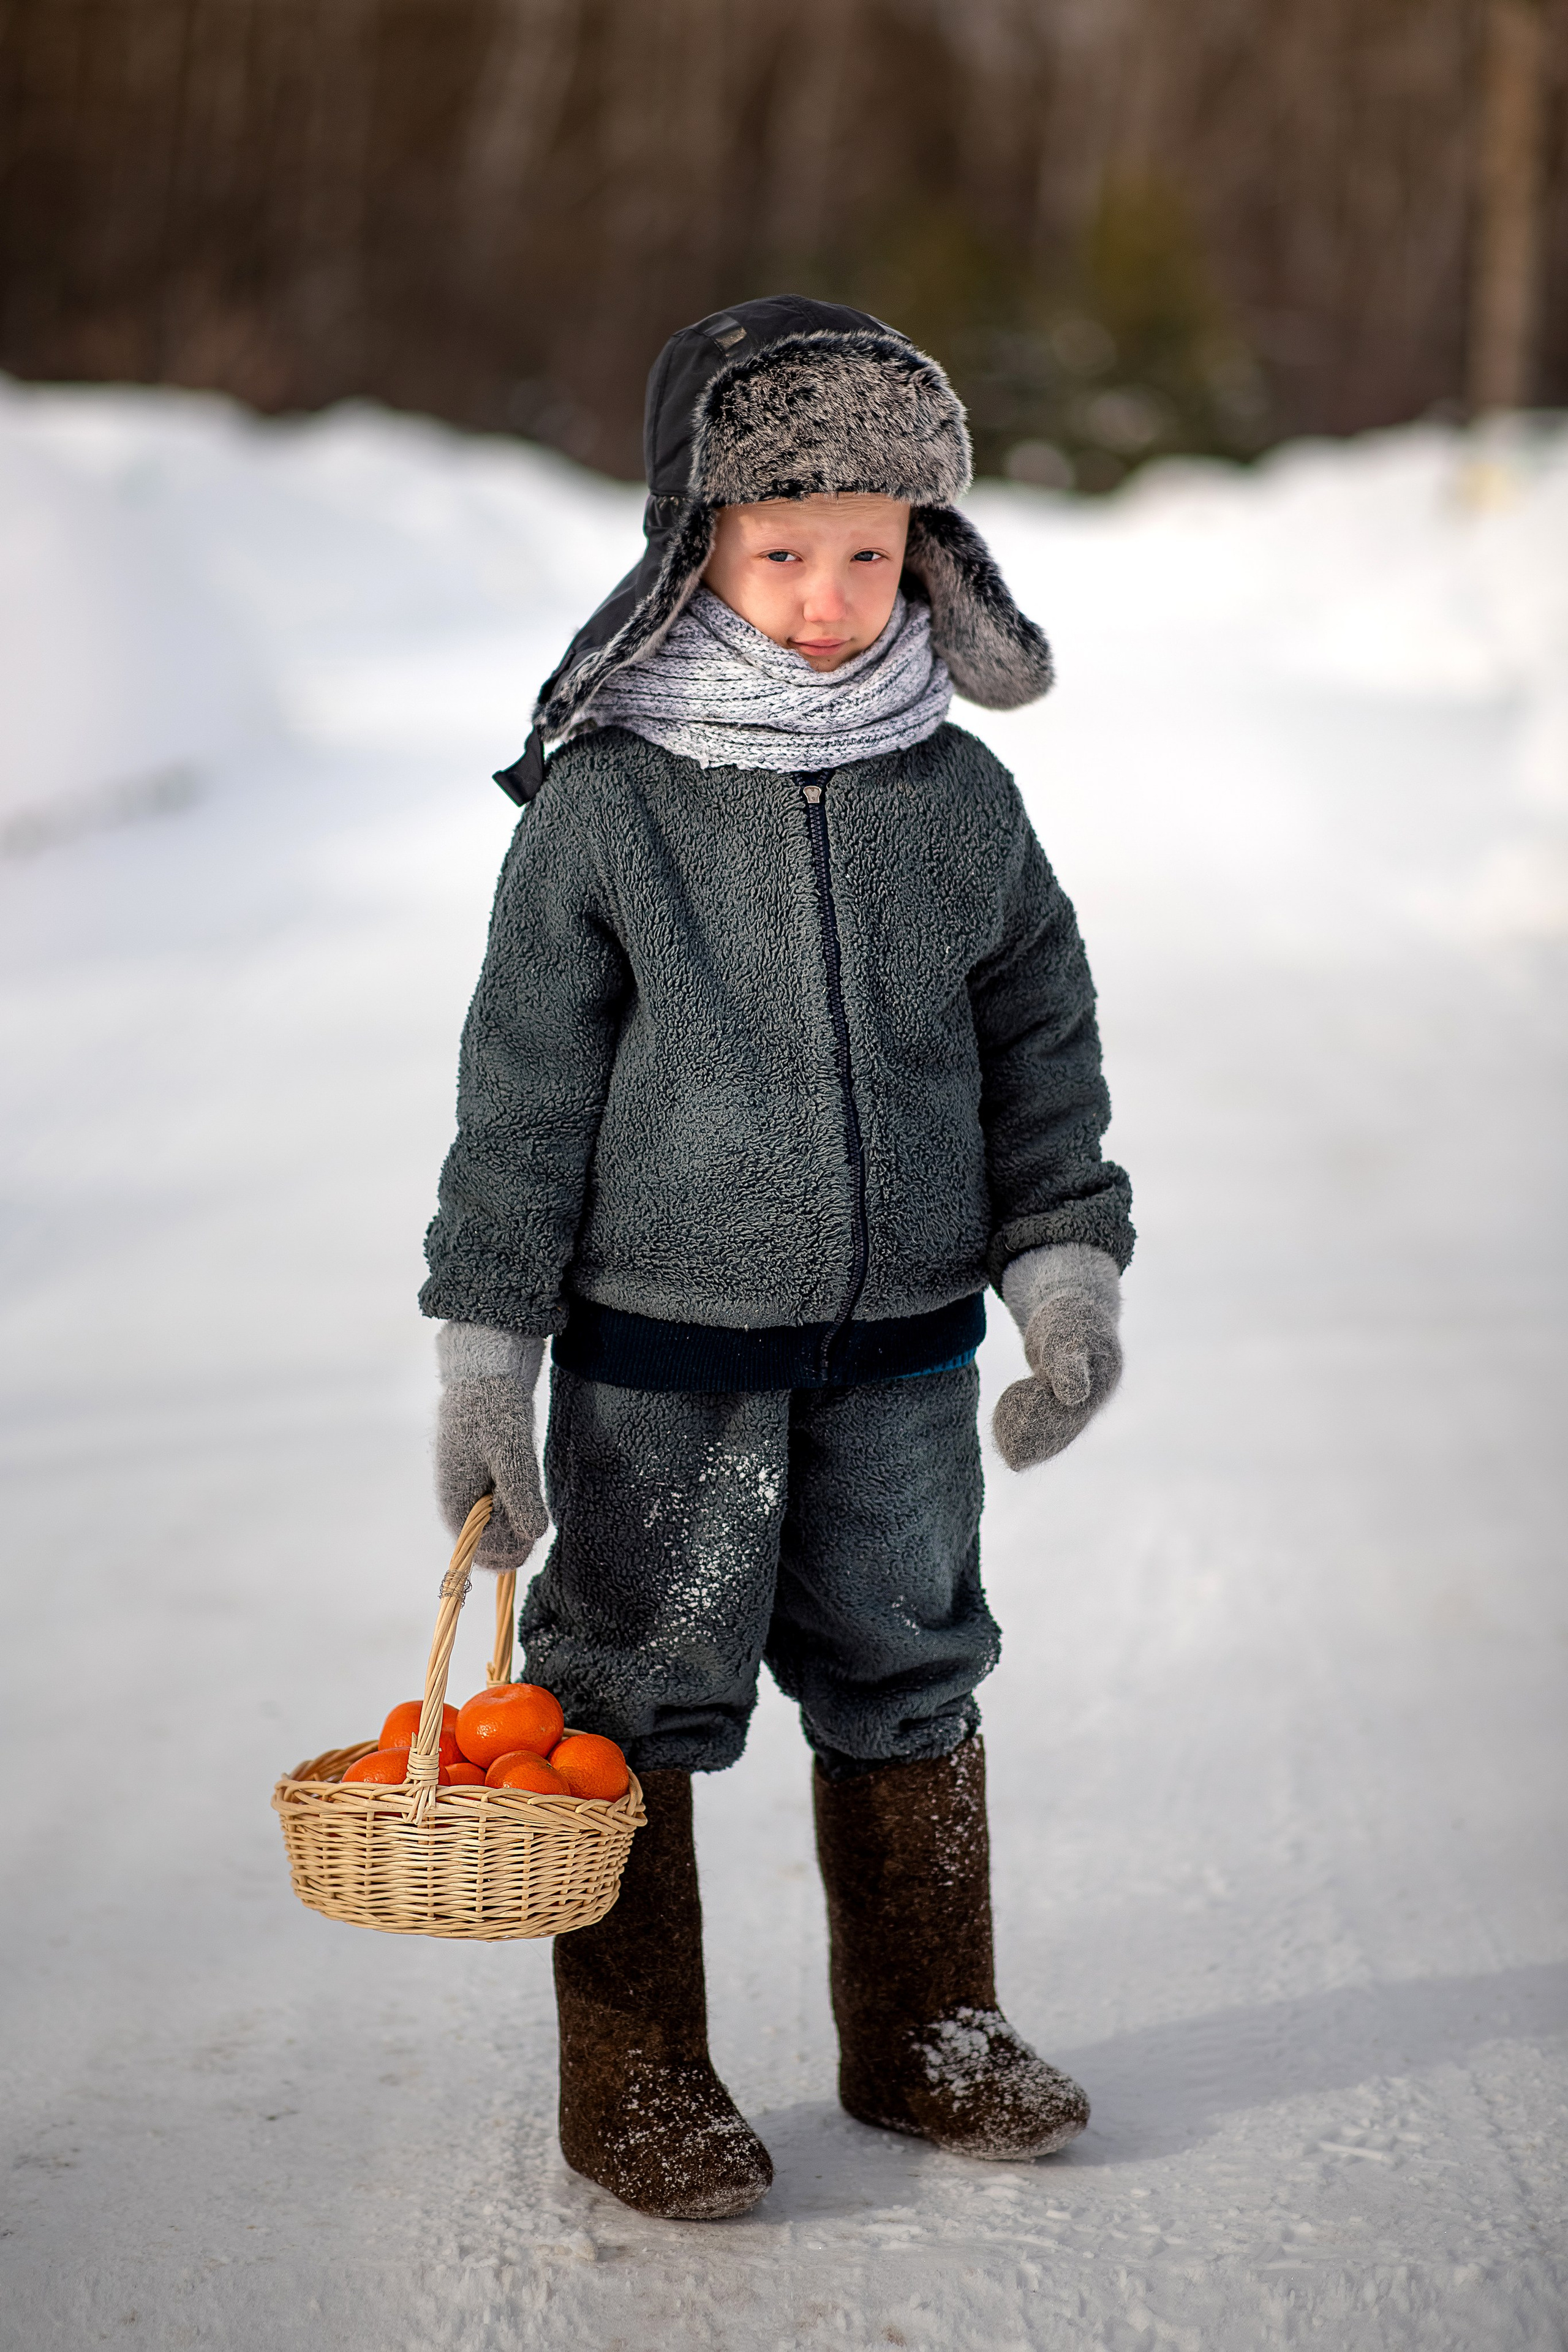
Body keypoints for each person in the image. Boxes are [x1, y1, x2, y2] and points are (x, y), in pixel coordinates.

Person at [420, 294, 1133, 2220]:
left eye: (874, 553)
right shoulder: (611, 802)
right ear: (694, 546)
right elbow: (523, 1097)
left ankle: (926, 2033)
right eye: (782, 550)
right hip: (665, 1362)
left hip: (902, 1350)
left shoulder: (959, 798)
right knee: (626, 1706)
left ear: (935, 552)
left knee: (912, 1672)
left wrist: (1063, 1274)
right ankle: (637, 2074)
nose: (830, 597)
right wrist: (489, 1352)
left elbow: (1040, 1055)